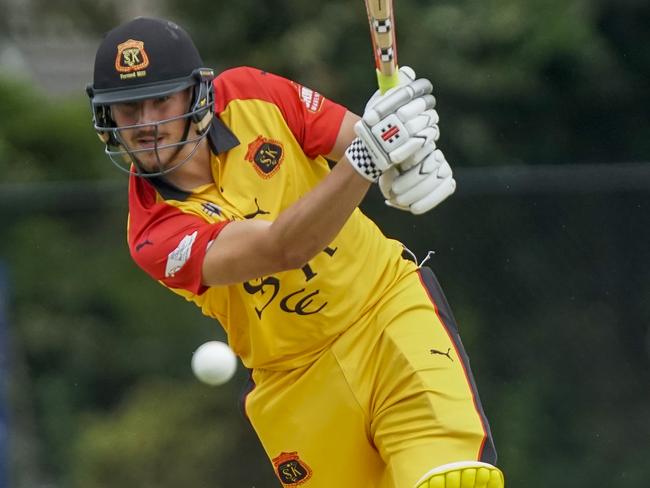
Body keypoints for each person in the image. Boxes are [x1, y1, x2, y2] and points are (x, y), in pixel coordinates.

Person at [87, 16, 504, 488]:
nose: (147, 124)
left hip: (387, 314)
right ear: (107, 118)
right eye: (128, 110)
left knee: (449, 479)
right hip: (297, 386)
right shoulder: (152, 232)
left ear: (195, 95)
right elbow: (284, 247)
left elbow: (360, 138)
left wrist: (407, 150)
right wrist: (371, 157)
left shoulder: (250, 94)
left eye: (160, 100)